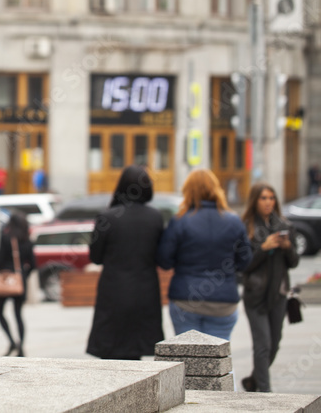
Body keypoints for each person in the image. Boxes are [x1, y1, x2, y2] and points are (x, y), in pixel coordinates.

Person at [156, 169, 251, 340]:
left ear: (188, 191)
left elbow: (164, 260)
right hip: (223, 301)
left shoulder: (180, 221)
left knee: (188, 358)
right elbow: (245, 261)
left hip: (186, 299)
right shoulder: (234, 221)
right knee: (219, 361)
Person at [86, 165, 164, 360]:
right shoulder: (155, 218)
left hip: (114, 292)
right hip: (146, 292)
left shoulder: (107, 217)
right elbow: (161, 256)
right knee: (136, 353)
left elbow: (95, 258)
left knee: (112, 353)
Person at [240, 182, 299, 392]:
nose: (268, 202)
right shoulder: (246, 227)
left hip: (279, 294)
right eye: (263, 198)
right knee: (263, 345)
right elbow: (243, 266)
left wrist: (287, 246)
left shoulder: (284, 225)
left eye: (271, 198)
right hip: (255, 295)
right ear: (255, 201)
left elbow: (293, 263)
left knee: (274, 344)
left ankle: (254, 380)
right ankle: (265, 394)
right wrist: (263, 249)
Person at [0, 211, 35, 357]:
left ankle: (11, 341)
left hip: (4, 280)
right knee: (18, 315)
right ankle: (21, 348)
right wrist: (23, 275)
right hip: (19, 282)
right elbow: (33, 264)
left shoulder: (6, 238)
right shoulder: (27, 240)